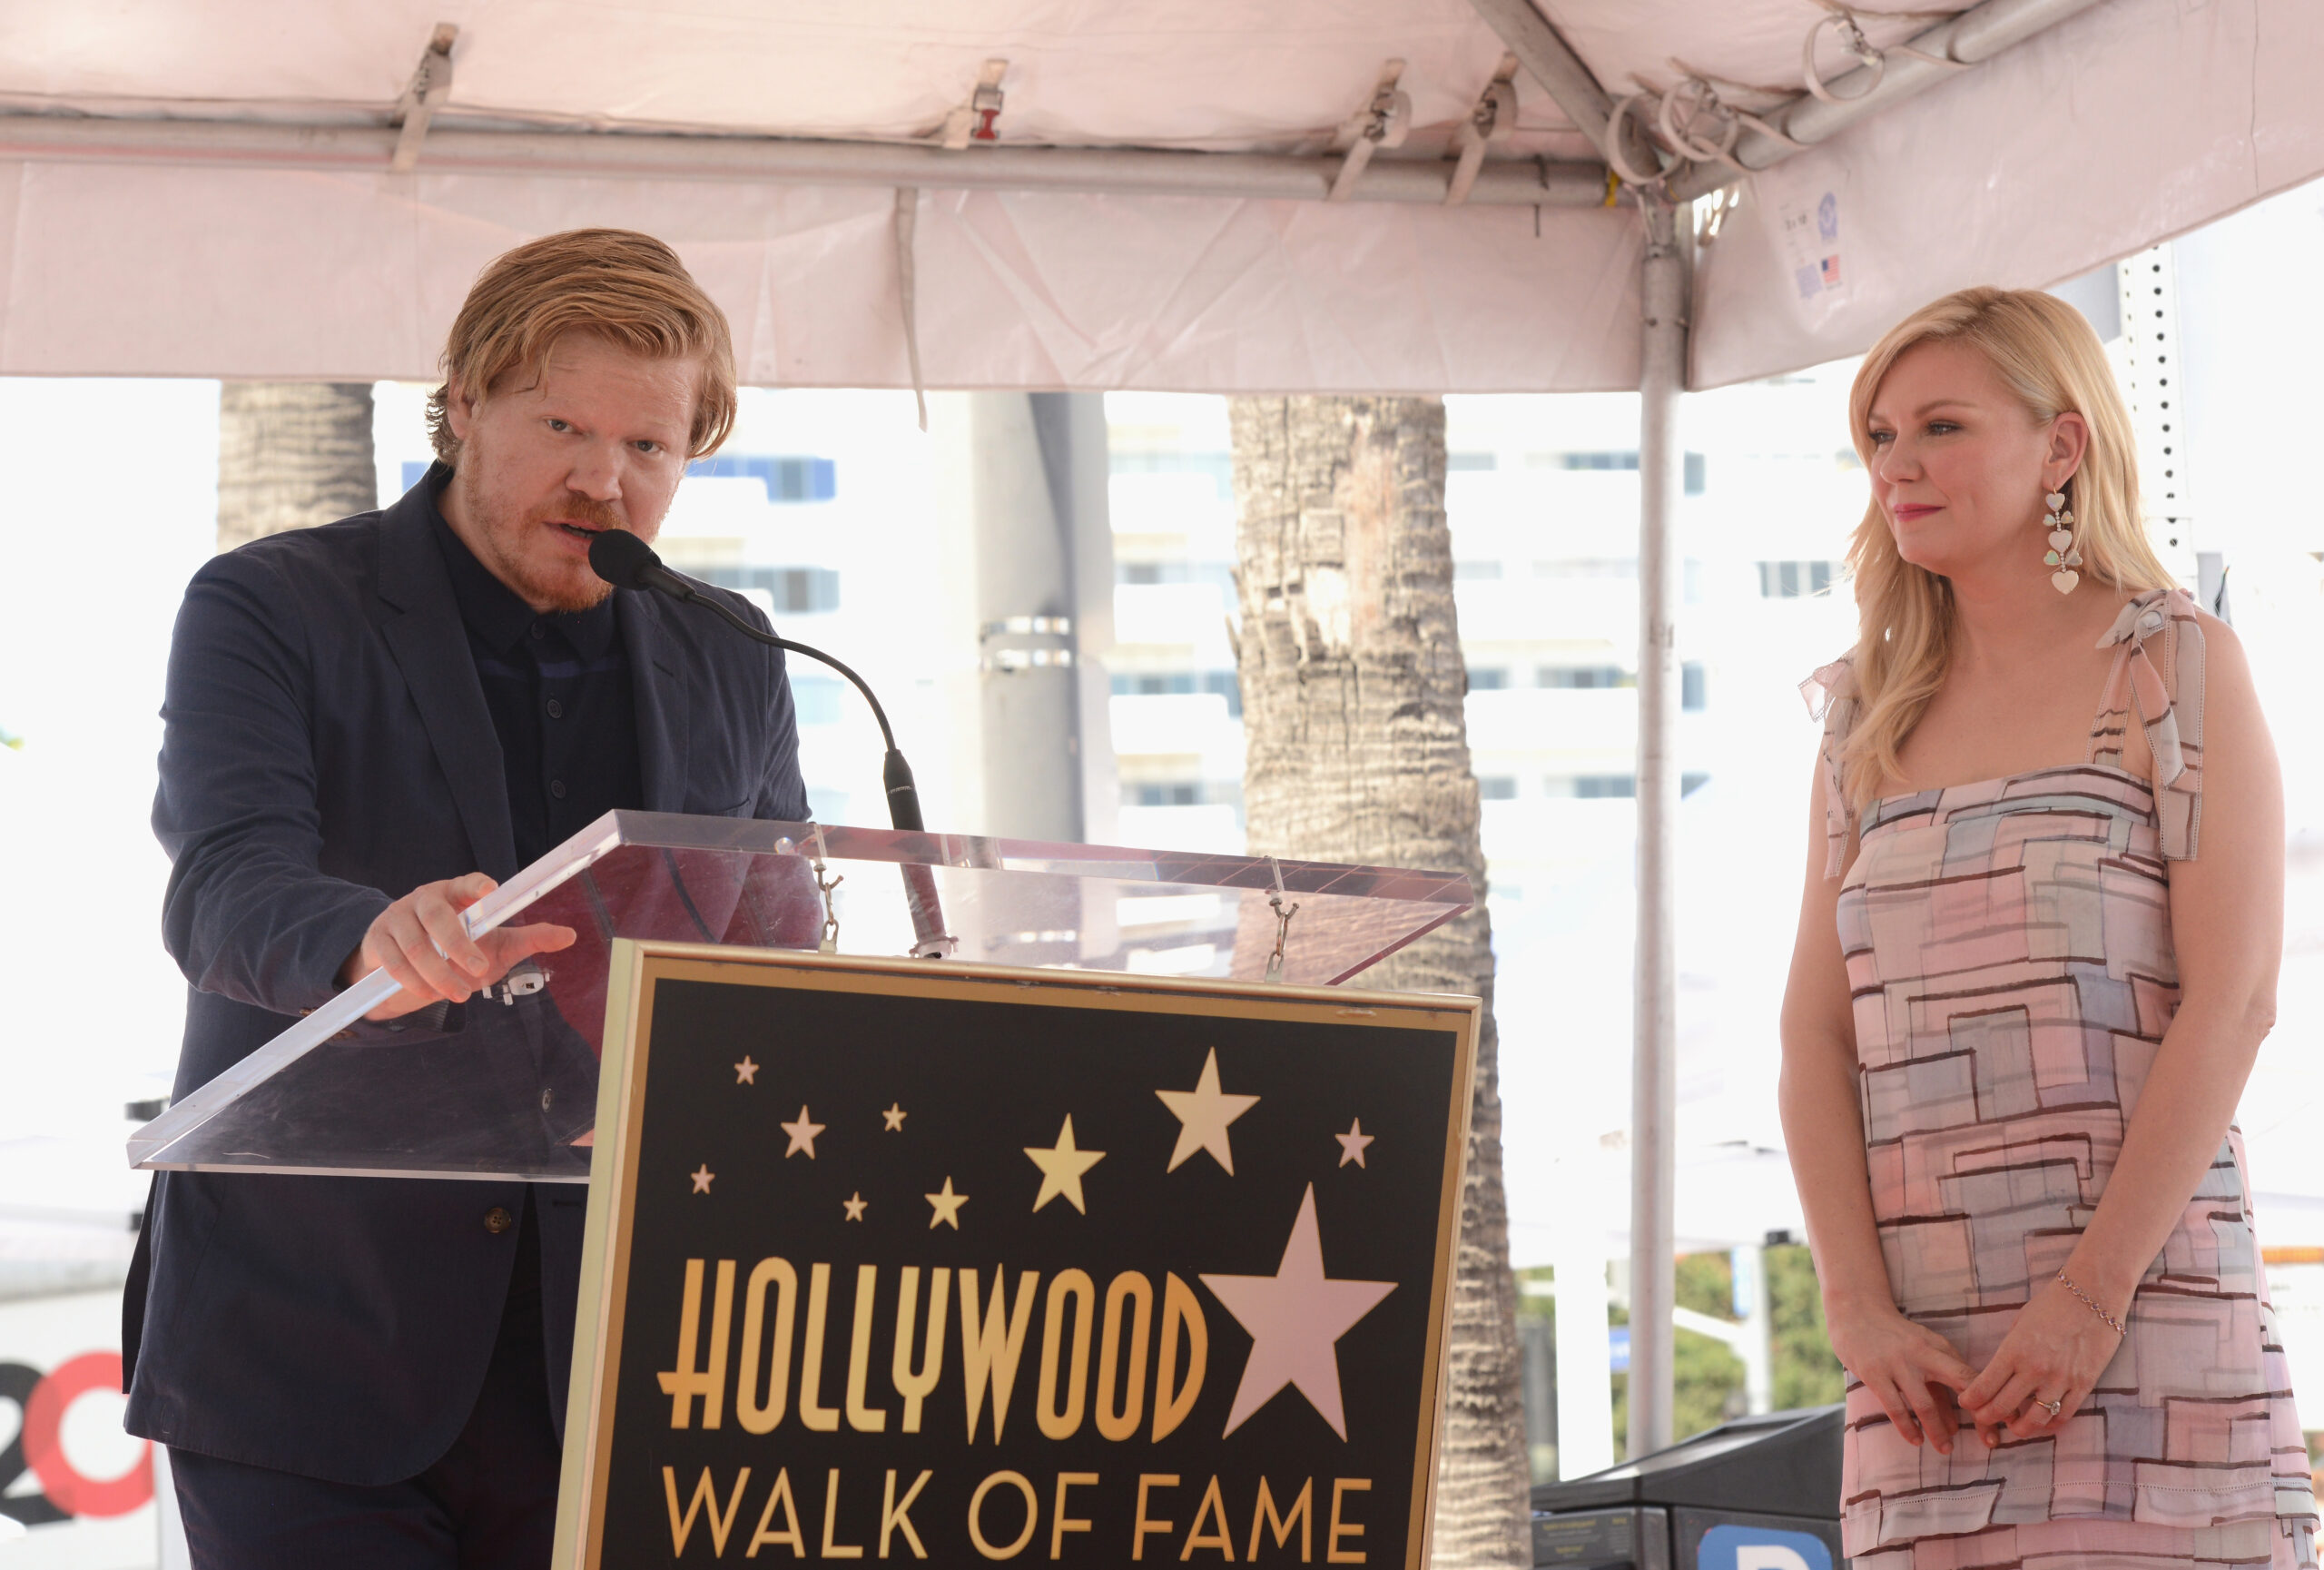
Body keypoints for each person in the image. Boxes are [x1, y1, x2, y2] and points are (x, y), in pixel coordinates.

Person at [126, 228, 809, 1566]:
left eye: (651, 448)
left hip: (625, 1377)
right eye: (562, 423)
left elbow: (779, 950)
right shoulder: (274, 606)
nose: (603, 478)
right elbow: (223, 882)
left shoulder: (730, 652)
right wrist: (367, 943)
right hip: (316, 1352)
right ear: (461, 406)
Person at [1779, 287, 2319, 1570]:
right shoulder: (1866, 715)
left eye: (1941, 427)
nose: (1897, 464)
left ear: (2063, 446)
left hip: (2145, 1339)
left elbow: (2233, 1001)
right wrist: (1855, 1312)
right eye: (1880, 435)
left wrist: (2088, 1298)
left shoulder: (2174, 667)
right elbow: (1813, 1041)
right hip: (1924, 1380)